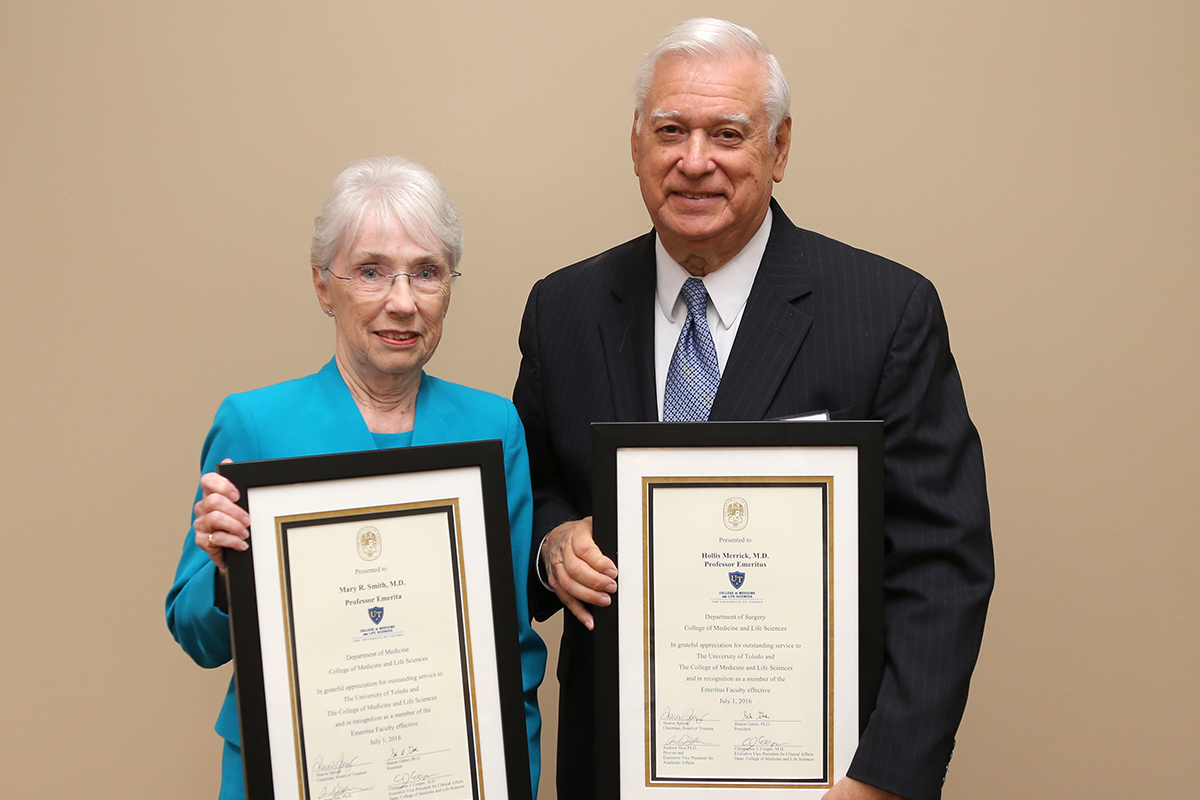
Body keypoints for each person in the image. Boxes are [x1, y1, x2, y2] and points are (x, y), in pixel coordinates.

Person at [513, 18, 993, 800]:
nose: (694, 161)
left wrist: (884, 776)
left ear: (780, 148)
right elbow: (531, 486)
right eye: (670, 130)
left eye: (727, 133)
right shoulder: (563, 310)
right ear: (636, 144)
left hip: (820, 772)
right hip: (617, 757)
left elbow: (943, 567)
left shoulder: (884, 311)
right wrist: (555, 541)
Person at [166, 157, 546, 798]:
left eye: (426, 273)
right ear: (322, 285)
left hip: (451, 773)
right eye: (371, 272)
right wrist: (230, 582)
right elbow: (197, 636)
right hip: (293, 772)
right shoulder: (254, 425)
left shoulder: (493, 426)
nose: (402, 302)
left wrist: (515, 776)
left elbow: (507, 644)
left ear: (448, 287)